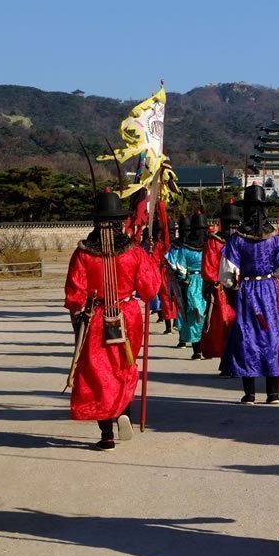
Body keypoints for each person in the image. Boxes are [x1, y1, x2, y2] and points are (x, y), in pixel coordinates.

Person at [64, 189, 160, 450]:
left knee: (98, 372)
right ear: (120, 220)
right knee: (124, 366)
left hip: (95, 317)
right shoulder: (134, 252)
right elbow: (150, 290)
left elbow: (74, 295)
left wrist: (78, 317)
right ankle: (124, 410)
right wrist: (150, 260)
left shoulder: (83, 253)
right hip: (127, 314)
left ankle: (106, 431)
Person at [220, 184, 279, 405]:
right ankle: (272, 393)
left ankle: (250, 393)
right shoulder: (275, 239)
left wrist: (235, 285)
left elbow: (226, 275)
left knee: (247, 338)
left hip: (246, 291)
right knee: (270, 337)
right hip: (268, 291)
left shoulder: (236, 240)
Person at [201, 202, 240, 368]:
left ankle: (236, 360)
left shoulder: (241, 241)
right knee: (224, 325)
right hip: (221, 290)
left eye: (234, 224)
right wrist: (218, 282)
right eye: (229, 224)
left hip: (240, 288)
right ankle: (227, 360)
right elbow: (209, 268)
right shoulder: (214, 242)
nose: (232, 227)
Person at [167, 212, 208, 359]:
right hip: (206, 281)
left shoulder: (184, 248)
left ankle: (197, 349)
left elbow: (180, 268)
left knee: (194, 314)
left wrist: (182, 278)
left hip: (191, 282)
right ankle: (199, 347)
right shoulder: (209, 245)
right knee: (200, 314)